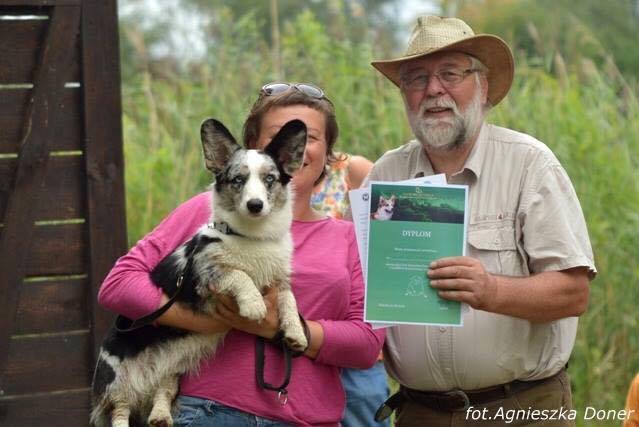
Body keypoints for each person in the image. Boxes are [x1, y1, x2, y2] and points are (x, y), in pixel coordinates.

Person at [97, 82, 385, 426]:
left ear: (329, 152)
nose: (296, 147)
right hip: (210, 414)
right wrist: (207, 322)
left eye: (311, 137)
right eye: (275, 135)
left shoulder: (349, 238)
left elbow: (367, 344)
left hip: (309, 418)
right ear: (251, 147)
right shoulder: (204, 212)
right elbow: (118, 285)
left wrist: (279, 328)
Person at [366, 16, 597, 426]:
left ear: (483, 86)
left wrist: (489, 289)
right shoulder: (386, 174)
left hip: (521, 410)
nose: (433, 90)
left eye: (450, 74)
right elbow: (357, 286)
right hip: (421, 413)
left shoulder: (530, 165)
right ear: (404, 95)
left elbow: (573, 293)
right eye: (417, 78)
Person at [311, 155, 391, 427]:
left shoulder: (350, 171)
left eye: (312, 134)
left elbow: (390, 246)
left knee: (364, 403)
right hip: (288, 341)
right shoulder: (258, 181)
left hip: (352, 342)